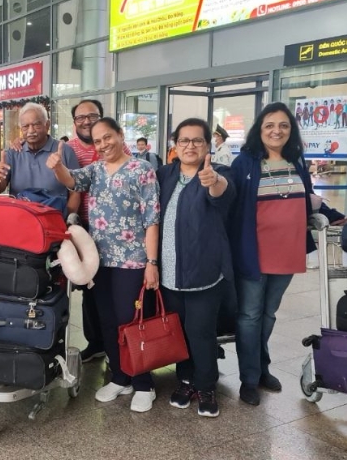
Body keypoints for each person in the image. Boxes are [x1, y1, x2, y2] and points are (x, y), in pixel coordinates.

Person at [46, 117, 160, 413]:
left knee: (130, 323)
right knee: (107, 321)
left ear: (121, 136)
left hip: (132, 262)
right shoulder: (95, 170)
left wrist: (151, 262)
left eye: (108, 137)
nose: (103, 145)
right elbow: (71, 180)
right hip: (98, 261)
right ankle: (120, 377)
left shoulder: (142, 170)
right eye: (97, 141)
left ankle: (144, 382)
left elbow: (151, 220)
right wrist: (57, 166)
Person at [229, 102, 316, 407]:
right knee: (250, 315)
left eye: (283, 125)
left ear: (290, 130)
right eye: (269, 125)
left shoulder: (296, 161)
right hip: (253, 251)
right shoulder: (246, 162)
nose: (276, 131)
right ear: (259, 129)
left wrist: (333, 214)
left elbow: (308, 199)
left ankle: (262, 367)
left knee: (268, 314)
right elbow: (231, 202)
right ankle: (249, 378)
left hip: (288, 251)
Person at [156, 118, 235, 418]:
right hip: (170, 273)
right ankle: (185, 380)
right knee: (179, 332)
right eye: (184, 141)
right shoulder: (165, 174)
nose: (190, 146)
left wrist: (212, 181)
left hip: (205, 273)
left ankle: (206, 385)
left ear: (207, 145)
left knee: (200, 332)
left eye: (197, 141)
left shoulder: (219, 173)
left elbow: (223, 194)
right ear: (175, 145)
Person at [0, 102, 81, 215]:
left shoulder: (65, 151)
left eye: (36, 125)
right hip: (20, 220)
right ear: (21, 128)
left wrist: (66, 221)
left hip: (54, 223)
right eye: (25, 126)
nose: (31, 131)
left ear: (47, 125)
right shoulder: (12, 153)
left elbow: (76, 192)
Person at [68, 99, 106, 363]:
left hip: (111, 232)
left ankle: (116, 344)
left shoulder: (113, 143)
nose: (86, 121)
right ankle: (96, 343)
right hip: (79, 230)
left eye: (92, 115)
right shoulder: (67, 149)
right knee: (87, 291)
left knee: (109, 290)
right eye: (80, 117)